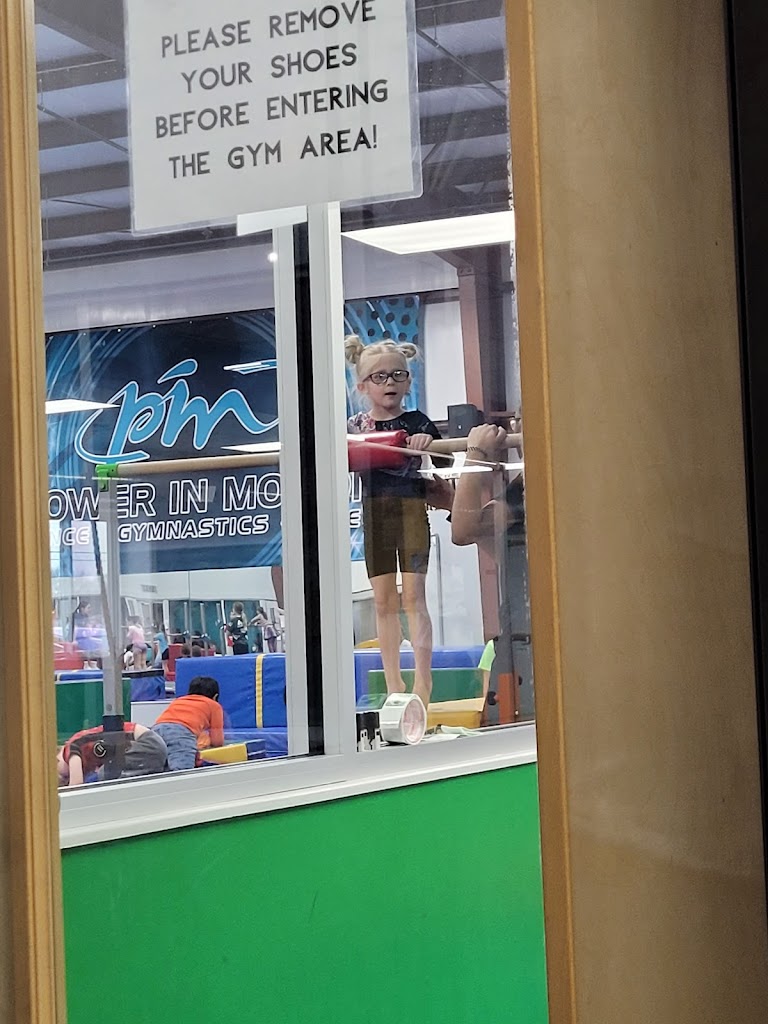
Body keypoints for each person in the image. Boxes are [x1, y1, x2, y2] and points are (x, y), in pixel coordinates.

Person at [345, 335, 443, 710]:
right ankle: (393, 682)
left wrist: (427, 441)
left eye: (397, 375)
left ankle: (423, 678)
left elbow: (446, 459)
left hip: (411, 508)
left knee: (414, 596)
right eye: (380, 377)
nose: (389, 383)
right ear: (363, 386)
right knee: (383, 600)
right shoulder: (357, 425)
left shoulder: (418, 421)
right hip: (375, 511)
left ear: (408, 381)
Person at [451, 423, 529, 722]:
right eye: (518, 422)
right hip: (519, 634)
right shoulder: (521, 488)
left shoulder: (532, 487)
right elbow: (500, 552)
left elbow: (464, 530)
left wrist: (476, 454)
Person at [57, 722, 167, 787]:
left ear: (55, 759)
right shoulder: (86, 756)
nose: (68, 777)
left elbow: (76, 785)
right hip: (151, 746)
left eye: (65, 776)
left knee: (105, 775)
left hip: (146, 742)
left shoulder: (71, 748)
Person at [152, 675, 225, 771]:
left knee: (157, 768)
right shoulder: (214, 705)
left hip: (156, 730)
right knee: (182, 772)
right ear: (215, 696)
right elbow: (217, 740)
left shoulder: (179, 700)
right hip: (180, 733)